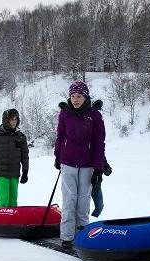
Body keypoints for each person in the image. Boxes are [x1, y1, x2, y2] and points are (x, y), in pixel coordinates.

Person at [54, 81, 106, 249]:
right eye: (73, 96)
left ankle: (82, 236)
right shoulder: (64, 114)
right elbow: (60, 137)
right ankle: (67, 237)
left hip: (87, 165)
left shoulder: (95, 115)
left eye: (79, 96)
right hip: (68, 163)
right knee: (69, 201)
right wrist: (57, 156)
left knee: (83, 202)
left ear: (86, 97)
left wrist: (98, 168)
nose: (75, 100)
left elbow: (99, 142)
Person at [0, 109, 29, 207]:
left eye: (16, 119)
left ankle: (12, 219)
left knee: (13, 198)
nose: (14, 122)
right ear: (6, 120)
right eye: (12, 119)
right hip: (1, 172)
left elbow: (25, 156)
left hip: (15, 172)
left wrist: (25, 172)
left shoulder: (21, 137)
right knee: (3, 198)